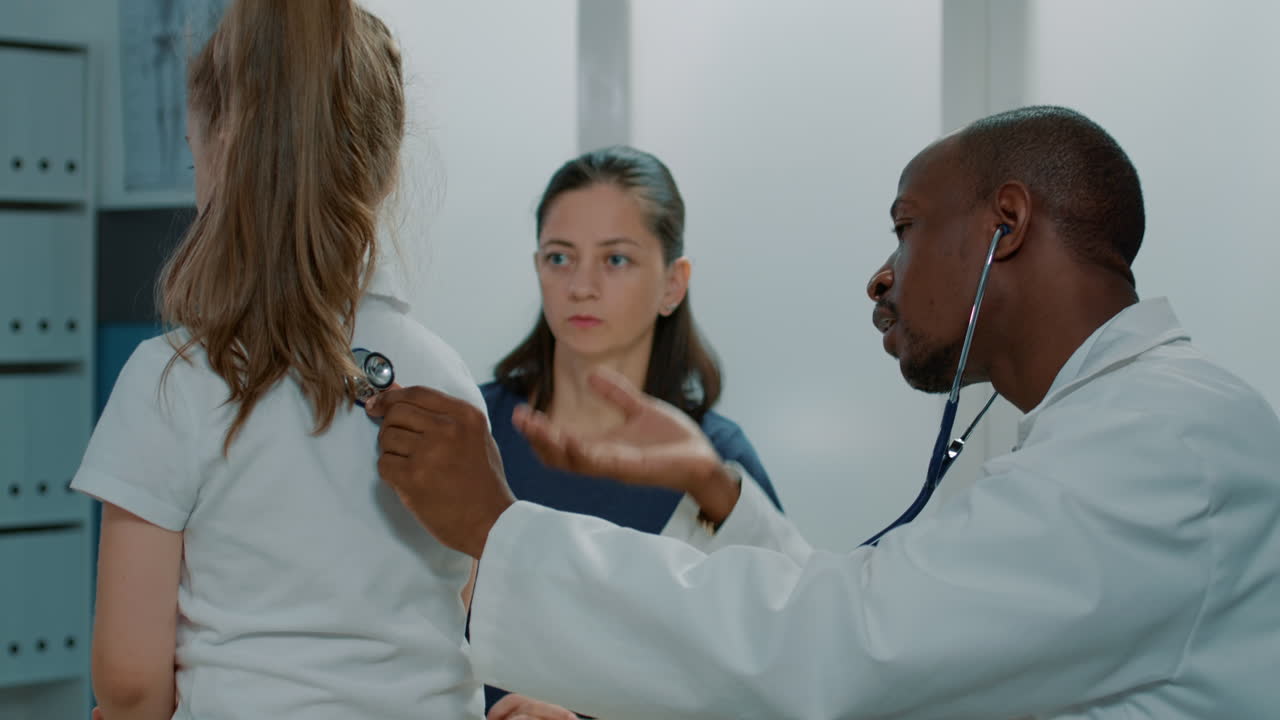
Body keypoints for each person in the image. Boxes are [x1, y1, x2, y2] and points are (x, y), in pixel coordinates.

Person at [365, 105, 1280, 719]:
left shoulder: (1160, 445)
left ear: (1007, 224)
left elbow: (844, 651)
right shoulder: (1116, 429)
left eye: (906, 226)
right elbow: (874, 625)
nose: (883, 274)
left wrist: (502, 530)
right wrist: (709, 488)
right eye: (559, 256)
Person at [72, 2, 486, 718]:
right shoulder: (447, 379)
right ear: (387, 169)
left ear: (213, 148)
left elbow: (132, 683)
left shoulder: (170, 381)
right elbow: (462, 602)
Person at [479, 145, 785, 716]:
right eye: (559, 258)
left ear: (673, 283)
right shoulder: (472, 431)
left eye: (615, 260)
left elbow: (768, 674)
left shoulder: (712, 464)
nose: (582, 287)